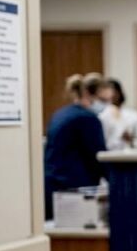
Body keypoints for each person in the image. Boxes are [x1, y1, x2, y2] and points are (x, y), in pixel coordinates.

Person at [44, 73, 109, 220]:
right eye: (103, 100)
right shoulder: (87, 118)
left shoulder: (60, 114)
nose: (106, 106)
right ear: (88, 94)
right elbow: (99, 155)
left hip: (52, 185)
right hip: (74, 189)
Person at [97, 78, 137, 150]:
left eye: (114, 92)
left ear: (119, 93)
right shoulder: (100, 115)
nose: (111, 95)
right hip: (107, 157)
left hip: (129, 157)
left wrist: (131, 140)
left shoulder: (134, 115)